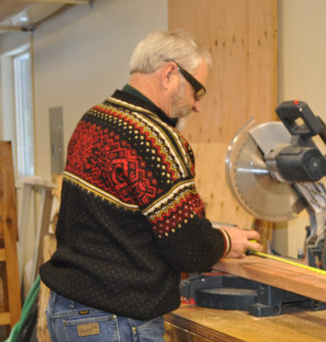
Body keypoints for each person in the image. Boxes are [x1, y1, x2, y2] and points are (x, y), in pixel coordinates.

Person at [39, 29, 263, 342]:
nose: (197, 105)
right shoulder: (155, 140)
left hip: (67, 310)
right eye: (197, 90)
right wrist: (226, 241)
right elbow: (188, 247)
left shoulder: (92, 120)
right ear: (170, 74)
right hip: (115, 318)